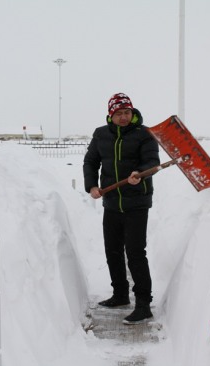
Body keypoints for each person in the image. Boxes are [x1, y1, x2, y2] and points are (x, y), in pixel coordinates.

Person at [83, 93, 160, 325]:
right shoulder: (101, 134)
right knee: (113, 251)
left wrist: (140, 173)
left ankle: (144, 303)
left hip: (137, 202)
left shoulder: (144, 134)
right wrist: (92, 185)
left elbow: (152, 162)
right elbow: (90, 161)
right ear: (111, 115)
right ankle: (120, 294)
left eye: (127, 112)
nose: (124, 117)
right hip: (112, 202)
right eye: (119, 113)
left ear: (132, 112)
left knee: (136, 252)